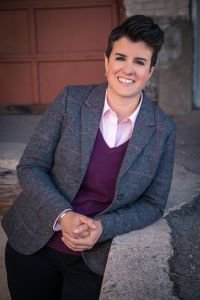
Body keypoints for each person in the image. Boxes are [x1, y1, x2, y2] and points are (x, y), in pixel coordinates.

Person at [2, 15, 176, 300]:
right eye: (120, 57)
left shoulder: (163, 130)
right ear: (106, 61)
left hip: (94, 259)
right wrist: (64, 215)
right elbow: (31, 166)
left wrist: (105, 227)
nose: (128, 70)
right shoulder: (71, 100)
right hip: (33, 242)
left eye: (140, 62)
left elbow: (154, 203)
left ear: (151, 71)